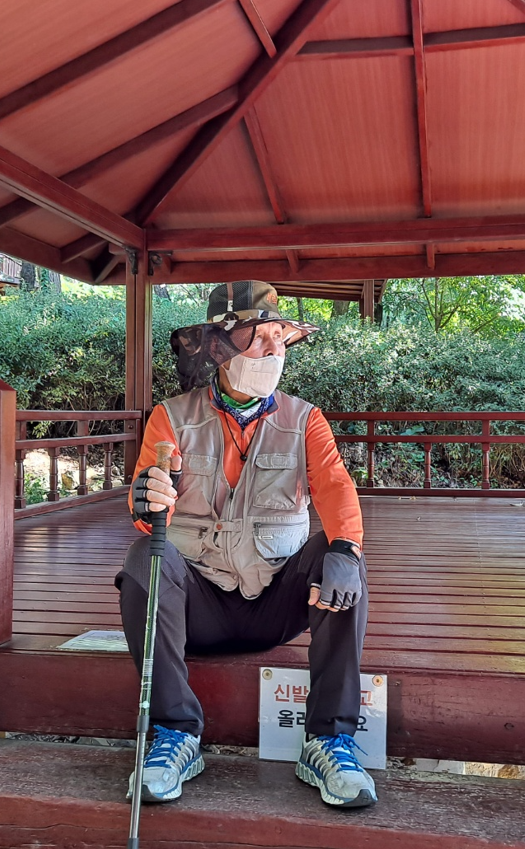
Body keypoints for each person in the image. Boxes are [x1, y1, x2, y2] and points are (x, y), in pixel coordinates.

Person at [116, 280, 375, 809]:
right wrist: (146, 499)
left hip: (276, 605)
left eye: (280, 337)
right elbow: (149, 512)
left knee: (339, 556)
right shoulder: (171, 417)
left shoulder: (305, 419)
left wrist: (347, 549)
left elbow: (335, 488)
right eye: (258, 337)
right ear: (219, 347)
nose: (273, 350)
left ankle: (329, 740)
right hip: (199, 610)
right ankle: (174, 733)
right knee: (145, 559)